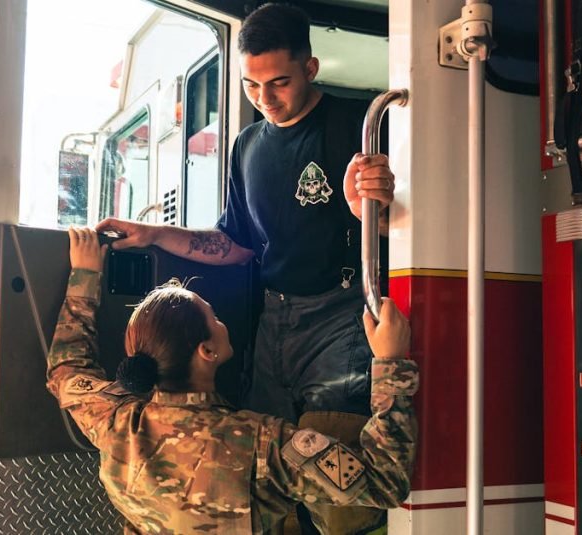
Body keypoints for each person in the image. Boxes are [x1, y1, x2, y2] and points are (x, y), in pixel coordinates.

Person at [95, 5, 396, 531]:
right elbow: (233, 245)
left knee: (340, 504)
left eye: (278, 82)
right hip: (274, 318)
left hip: (342, 317)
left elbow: (416, 231)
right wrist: (154, 235)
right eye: (252, 85)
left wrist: (374, 211)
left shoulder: (363, 123)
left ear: (310, 67)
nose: (265, 99)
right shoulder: (247, 146)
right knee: (268, 483)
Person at [47, 227, 417, 534]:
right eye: (214, 317)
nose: (221, 321)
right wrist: (390, 362)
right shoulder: (264, 444)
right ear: (207, 351)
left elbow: (65, 370)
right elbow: (385, 481)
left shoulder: (113, 421)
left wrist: (84, 274)